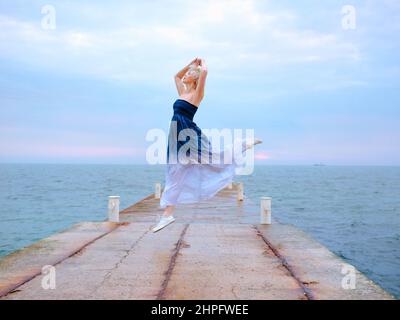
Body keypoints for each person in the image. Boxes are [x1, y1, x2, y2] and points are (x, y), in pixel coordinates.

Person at [152, 58, 261, 232]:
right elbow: (175, 76)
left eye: (189, 73)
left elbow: (204, 73)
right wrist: (190, 63)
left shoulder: (197, 95)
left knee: (216, 159)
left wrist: (201, 64)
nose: (185, 75)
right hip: (175, 137)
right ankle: (167, 215)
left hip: (189, 135)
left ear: (194, 79)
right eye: (186, 73)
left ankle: (243, 144)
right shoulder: (182, 92)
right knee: (174, 174)